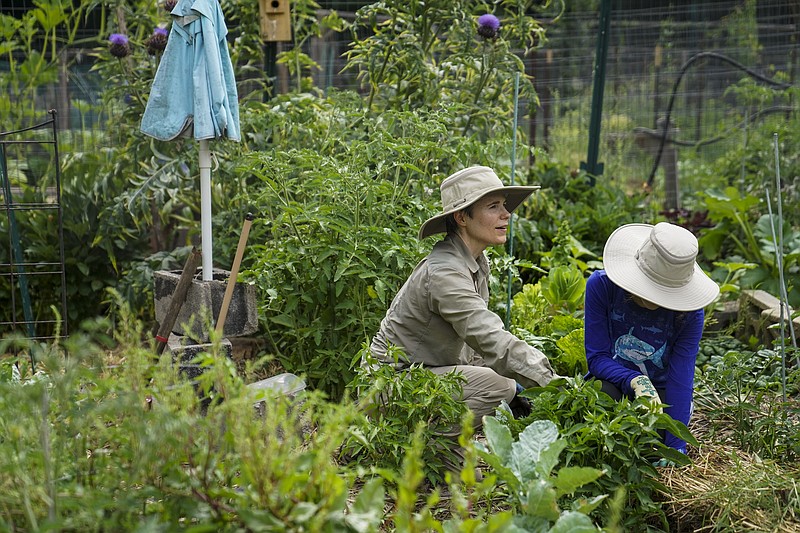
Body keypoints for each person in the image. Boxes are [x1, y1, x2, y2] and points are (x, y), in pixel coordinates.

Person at [368, 165, 559, 468]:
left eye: (504, 206)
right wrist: (553, 383)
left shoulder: (474, 262)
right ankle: (424, 455)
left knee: (503, 384)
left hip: (420, 381)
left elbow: (472, 349)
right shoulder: (445, 272)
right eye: (493, 206)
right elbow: (488, 336)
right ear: (461, 217)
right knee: (500, 387)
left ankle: (438, 453)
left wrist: (524, 380)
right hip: (390, 391)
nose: (506, 214)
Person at [584, 222, 720, 456]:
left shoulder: (689, 314)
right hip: (613, 382)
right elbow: (597, 358)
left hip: (661, 392)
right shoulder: (602, 287)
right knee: (600, 400)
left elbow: (681, 377)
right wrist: (634, 379)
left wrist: (676, 444)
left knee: (658, 431)